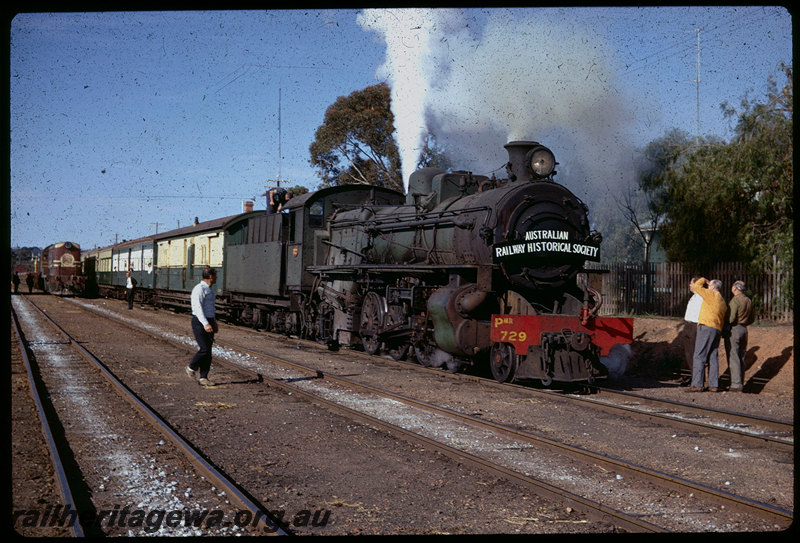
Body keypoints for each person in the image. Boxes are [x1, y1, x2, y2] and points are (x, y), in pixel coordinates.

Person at [688, 277, 728, 392]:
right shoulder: (722, 301)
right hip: (717, 329)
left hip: (706, 327)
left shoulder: (711, 295)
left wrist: (704, 280)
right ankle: (713, 385)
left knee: (699, 355)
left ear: (713, 287)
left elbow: (696, 286)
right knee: (712, 356)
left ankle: (697, 384)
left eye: (709, 285)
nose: (708, 286)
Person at [186, 267, 218, 386]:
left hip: (208, 320)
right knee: (204, 348)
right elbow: (198, 308)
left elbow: (210, 308)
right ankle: (191, 367)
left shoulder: (210, 290)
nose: (216, 278)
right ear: (210, 276)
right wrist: (205, 323)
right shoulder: (199, 289)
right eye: (215, 276)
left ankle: (204, 377)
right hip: (199, 321)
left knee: (208, 351)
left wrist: (214, 322)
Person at [725, 280, 754, 392]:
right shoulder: (748, 300)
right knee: (741, 357)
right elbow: (752, 318)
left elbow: (731, 318)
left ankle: (736, 384)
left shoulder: (735, 300)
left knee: (733, 356)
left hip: (735, 329)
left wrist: (726, 324)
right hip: (744, 329)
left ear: (735, 288)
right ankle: (740, 382)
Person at [680, 276, 703, 385]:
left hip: (695, 325)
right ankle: (693, 377)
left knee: (694, 353)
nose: (689, 285)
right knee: (688, 353)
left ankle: (697, 379)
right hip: (688, 325)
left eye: (691, 283)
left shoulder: (701, 298)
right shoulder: (693, 297)